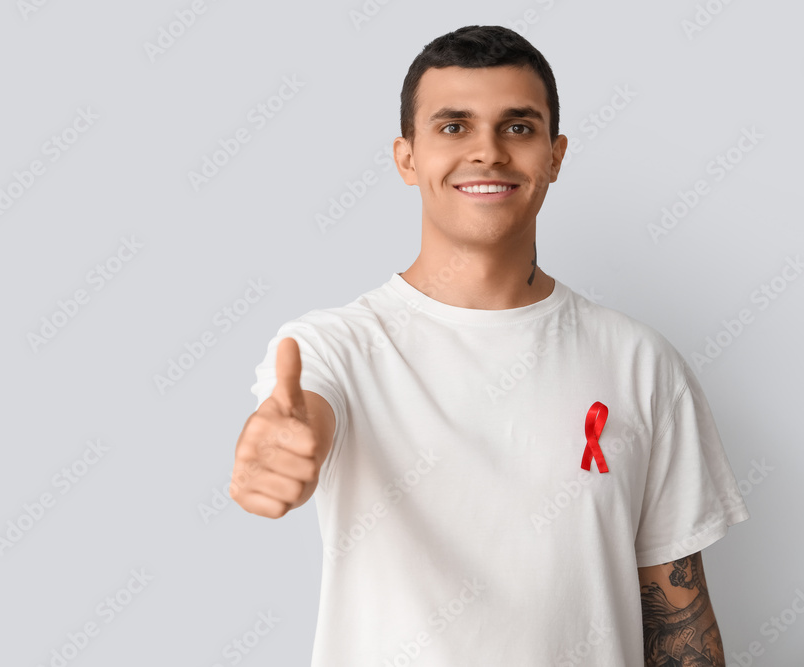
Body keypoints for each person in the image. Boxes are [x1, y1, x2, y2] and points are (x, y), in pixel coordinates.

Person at [230, 25, 749, 666]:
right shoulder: (332, 348)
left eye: (518, 127)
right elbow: (301, 413)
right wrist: (275, 449)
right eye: (453, 127)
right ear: (407, 157)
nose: (488, 153)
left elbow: (678, 626)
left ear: (555, 156)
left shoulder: (642, 363)